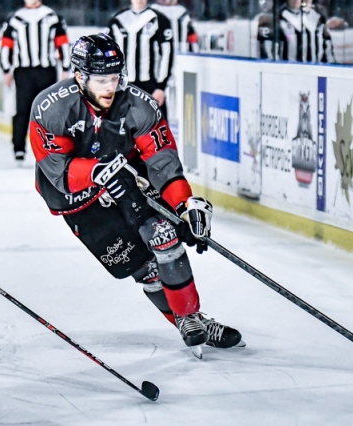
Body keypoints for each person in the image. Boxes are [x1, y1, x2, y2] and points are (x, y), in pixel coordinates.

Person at [28, 34, 244, 359]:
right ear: (79, 76)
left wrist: (184, 205)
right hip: (77, 199)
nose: (109, 87)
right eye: (101, 79)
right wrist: (95, 172)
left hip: (126, 175)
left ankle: (190, 318)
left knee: (164, 235)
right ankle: (184, 319)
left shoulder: (139, 105)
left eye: (114, 77)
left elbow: (162, 162)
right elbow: (57, 173)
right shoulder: (51, 108)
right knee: (145, 269)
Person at [0, 0, 71, 163]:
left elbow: (62, 44)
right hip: (23, 72)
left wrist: (66, 68)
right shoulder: (15, 18)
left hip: (46, 71)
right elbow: (6, 46)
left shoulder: (52, 17)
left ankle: (52, 147)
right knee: (22, 110)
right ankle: (19, 148)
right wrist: (6, 70)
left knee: (50, 111)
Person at [108, 0, 174, 122]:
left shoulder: (159, 20)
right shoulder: (117, 20)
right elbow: (108, 54)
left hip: (150, 87)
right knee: (120, 134)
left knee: (157, 133)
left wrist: (161, 87)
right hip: (123, 87)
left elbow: (167, 54)